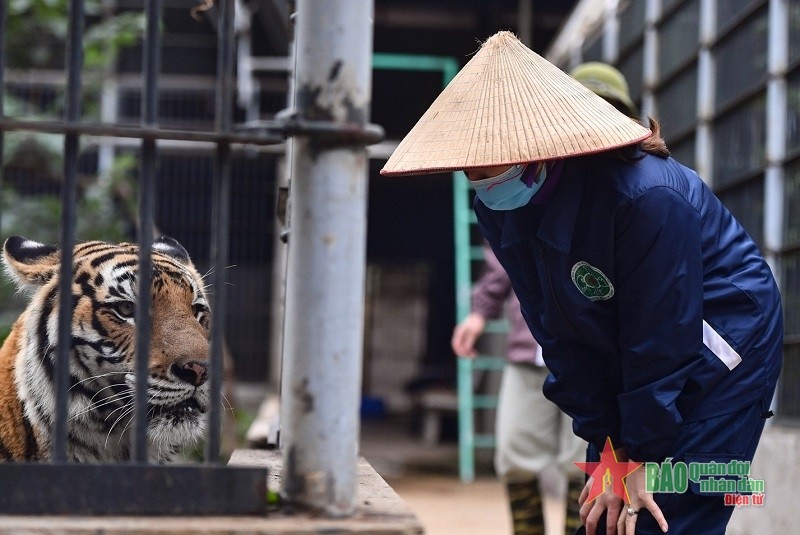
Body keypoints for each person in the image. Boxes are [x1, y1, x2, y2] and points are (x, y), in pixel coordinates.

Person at [382, 31, 782, 535]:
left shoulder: (647, 197)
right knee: (602, 513)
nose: (479, 177)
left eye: (488, 160)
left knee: (662, 511)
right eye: (469, 166)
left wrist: (638, 454)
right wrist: (607, 442)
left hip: (719, 341)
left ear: (535, 144)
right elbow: (554, 329)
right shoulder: (499, 203)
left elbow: (660, 336)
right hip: (635, 347)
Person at [452, 243, 586, 535]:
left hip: (589, 355)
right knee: (514, 456)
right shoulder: (518, 200)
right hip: (529, 351)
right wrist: (480, 312)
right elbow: (503, 255)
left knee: (586, 464)